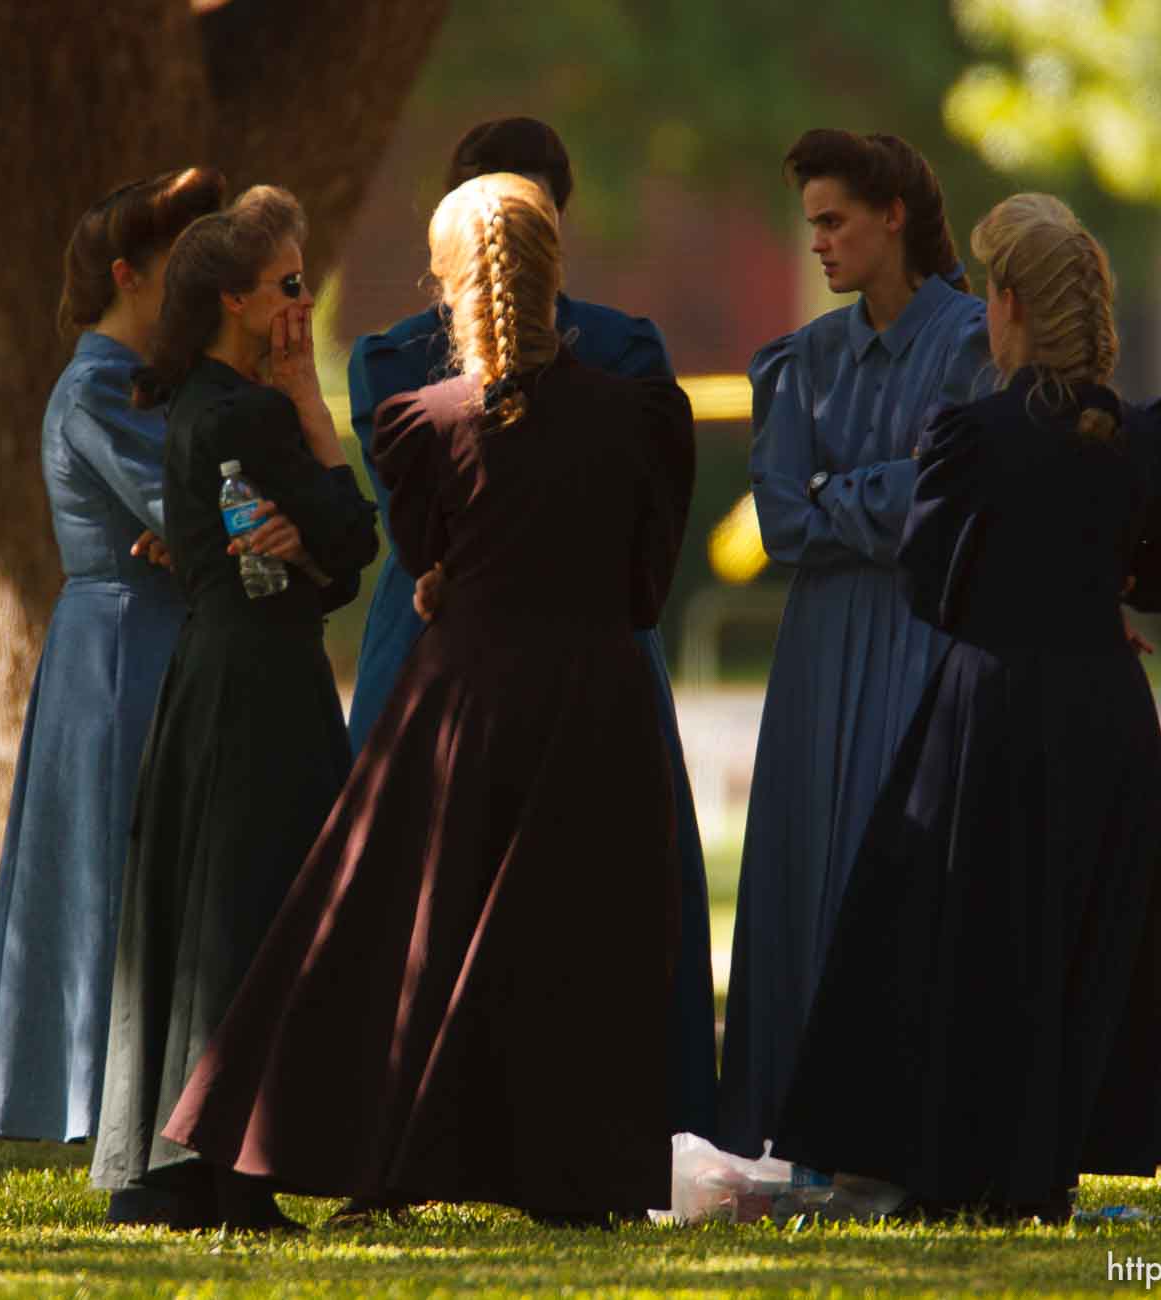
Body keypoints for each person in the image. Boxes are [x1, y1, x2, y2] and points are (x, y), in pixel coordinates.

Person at [162, 172, 696, 1228]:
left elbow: (427, 555)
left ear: (452, 288)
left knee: (402, 929)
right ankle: (575, 1178)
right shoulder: (638, 415)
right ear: (556, 275)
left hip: (466, 698)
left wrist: (461, 580)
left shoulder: (425, 420)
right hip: (597, 695)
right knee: (580, 939)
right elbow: (643, 581)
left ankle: (378, 1163)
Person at [772, 193, 1161, 1220]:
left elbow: (930, 581)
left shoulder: (973, 434)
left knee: (963, 933)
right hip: (1105, 714)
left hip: (991, 709)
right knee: (1074, 929)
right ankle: (1053, 1160)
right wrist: (1113, 588)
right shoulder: (1142, 435)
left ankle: (954, 1160)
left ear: (1010, 304)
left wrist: (1034, 592)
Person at [346, 115, 717, 1140]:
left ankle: (406, 1126)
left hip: (459, 626)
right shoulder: (616, 354)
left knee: (440, 878)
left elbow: (418, 523)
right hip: (551, 624)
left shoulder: (401, 366)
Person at [86, 185, 378, 1231]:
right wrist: (312, 402)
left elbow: (324, 563)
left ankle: (184, 1167)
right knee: (259, 919)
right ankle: (240, 1174)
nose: (306, 300)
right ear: (237, 303)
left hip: (208, 675)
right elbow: (354, 538)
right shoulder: (256, 411)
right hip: (262, 690)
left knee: (212, 911)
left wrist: (311, 552)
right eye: (292, 285)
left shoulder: (192, 405)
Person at [718, 130, 996, 1159]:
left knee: (908, 864)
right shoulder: (806, 360)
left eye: (835, 220)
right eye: (811, 226)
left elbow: (953, 498)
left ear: (894, 215)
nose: (820, 244)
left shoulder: (975, 342)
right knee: (804, 869)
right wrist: (887, 488)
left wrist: (852, 489)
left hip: (931, 634)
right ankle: (795, 1120)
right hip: (821, 651)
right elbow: (784, 520)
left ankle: (908, 1126)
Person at [0, 168, 226, 1145]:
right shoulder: (100, 389)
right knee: (114, 873)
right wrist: (215, 515)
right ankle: (101, 1097)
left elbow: (208, 507)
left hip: (147, 635)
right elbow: (205, 510)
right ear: (129, 273)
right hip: (122, 654)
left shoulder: (148, 385)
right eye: (183, 266)